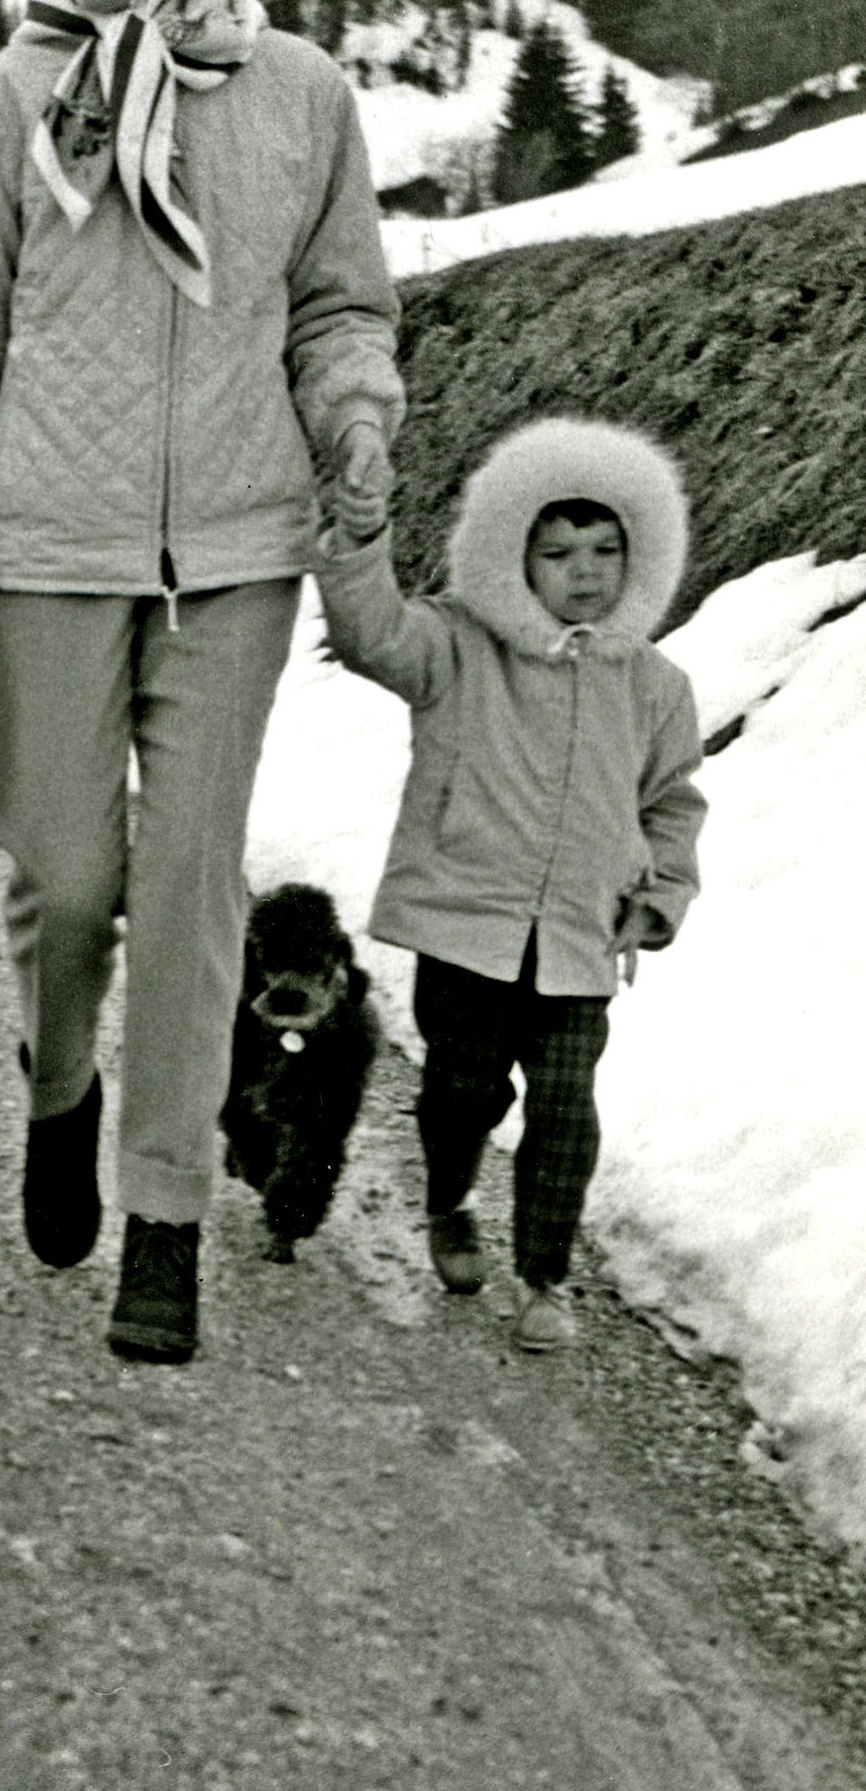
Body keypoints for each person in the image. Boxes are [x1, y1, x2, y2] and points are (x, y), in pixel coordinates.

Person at [0, 0, 402, 1365]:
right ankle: (57, 1080)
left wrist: (354, 417)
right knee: (61, 873)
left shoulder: (299, 95)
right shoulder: (8, 103)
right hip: (44, 549)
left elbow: (337, 307)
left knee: (183, 884)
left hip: (237, 553)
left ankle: (162, 1218)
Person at [316, 416, 705, 1351]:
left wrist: (659, 897)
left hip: (579, 935)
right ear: (510, 555)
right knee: (463, 1093)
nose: (585, 570)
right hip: (467, 928)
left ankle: (543, 1279)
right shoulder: (455, 646)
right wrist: (360, 536)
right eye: (558, 550)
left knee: (565, 1108)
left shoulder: (653, 684)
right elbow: (368, 632)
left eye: (607, 549)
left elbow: (671, 803)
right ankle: (448, 1199)